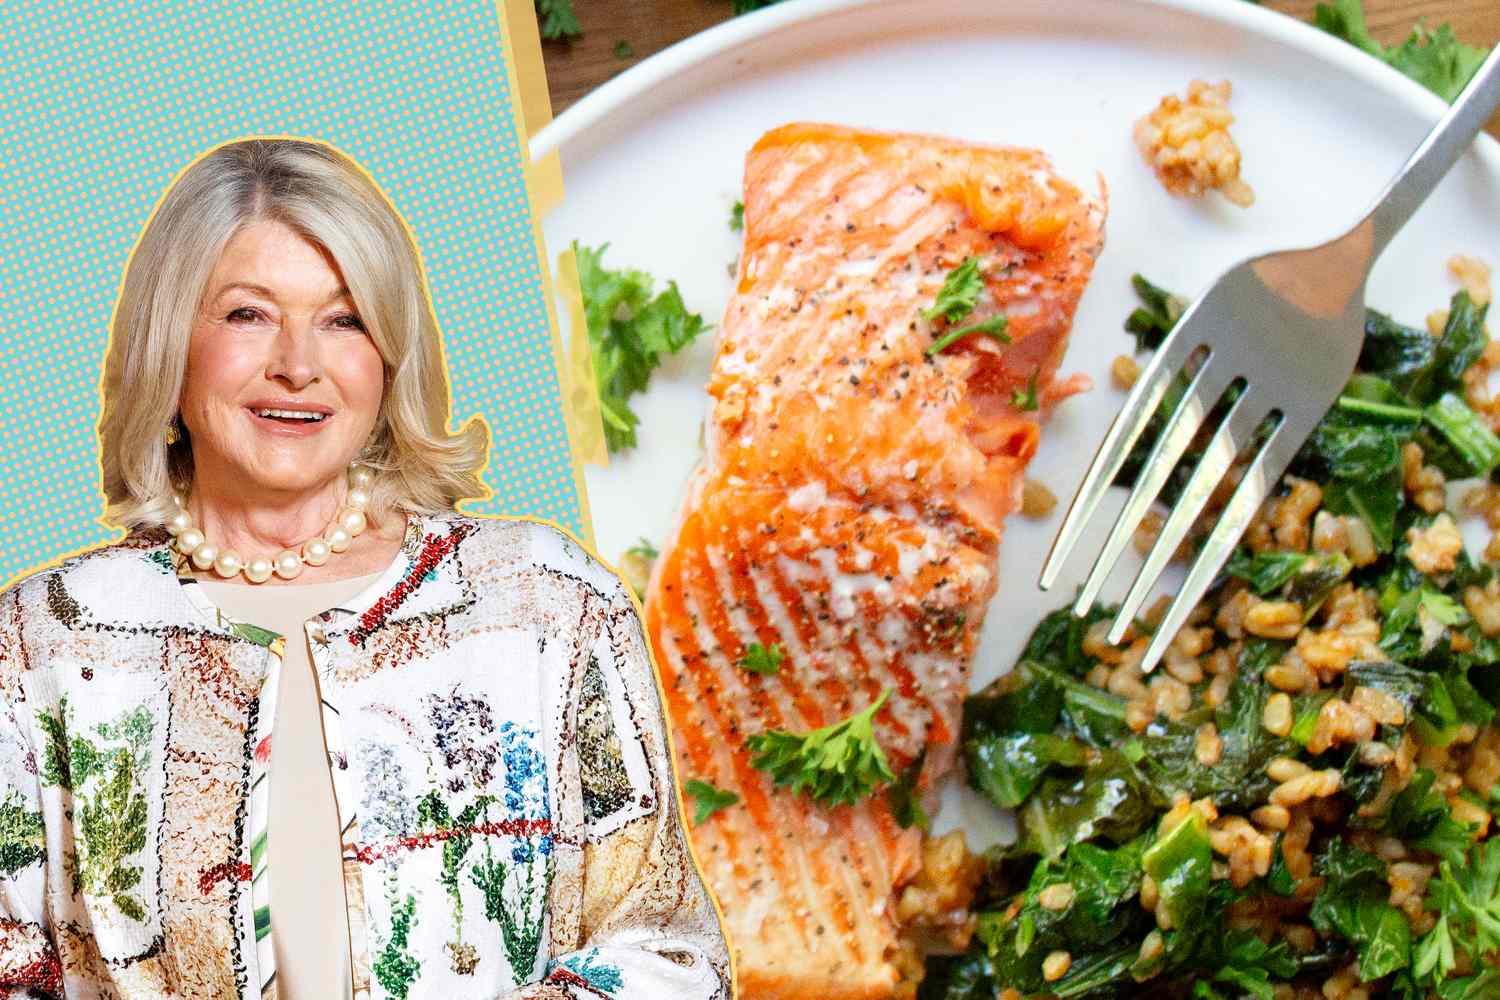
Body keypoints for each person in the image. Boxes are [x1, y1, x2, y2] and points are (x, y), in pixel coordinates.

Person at [0, 138, 731, 1000]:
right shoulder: (39, 641)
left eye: (344, 319)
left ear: (388, 356)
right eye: (247, 314)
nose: (297, 365)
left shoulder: (548, 602)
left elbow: (669, 955)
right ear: (169, 342)